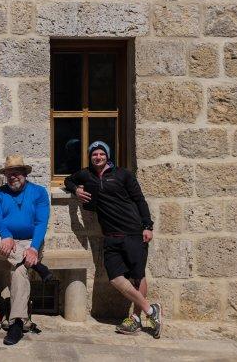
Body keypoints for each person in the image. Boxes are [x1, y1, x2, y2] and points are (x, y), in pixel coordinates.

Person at [64, 141, 163, 339]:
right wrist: (76, 191)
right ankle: (151, 311)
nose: (98, 157)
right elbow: (68, 180)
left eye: (101, 153)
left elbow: (139, 200)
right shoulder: (86, 174)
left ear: (107, 156)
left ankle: (135, 318)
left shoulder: (123, 174)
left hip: (133, 232)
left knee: (138, 276)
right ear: (90, 157)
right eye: (94, 154)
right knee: (116, 278)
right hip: (110, 235)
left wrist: (147, 226)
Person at [0, 155, 51, 346]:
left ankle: (16, 323)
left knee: (19, 269)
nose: (13, 177)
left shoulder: (39, 192)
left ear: (24, 174)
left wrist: (34, 249)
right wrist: (5, 234)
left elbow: (41, 222)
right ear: (5, 175)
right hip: (6, 243)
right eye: (9, 174)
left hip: (30, 242)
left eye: (17, 173)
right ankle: (38, 267)